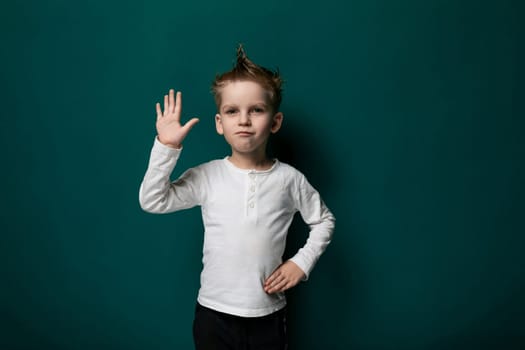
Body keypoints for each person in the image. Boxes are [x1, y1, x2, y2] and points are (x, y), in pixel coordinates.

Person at [139, 45, 335, 350]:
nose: (244, 120)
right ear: (220, 123)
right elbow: (153, 200)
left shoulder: (289, 179)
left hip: (268, 315)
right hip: (213, 314)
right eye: (232, 111)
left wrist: (301, 263)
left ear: (275, 121)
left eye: (256, 110)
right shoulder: (207, 176)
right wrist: (166, 147)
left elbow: (323, 221)